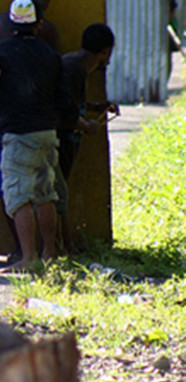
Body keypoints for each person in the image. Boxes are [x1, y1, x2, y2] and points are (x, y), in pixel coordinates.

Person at [0, 0, 75, 273]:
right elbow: (63, 98)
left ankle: (29, 257)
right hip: (47, 131)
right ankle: (49, 254)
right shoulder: (51, 55)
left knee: (19, 195)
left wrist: (4, 113)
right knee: (46, 193)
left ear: (12, 23)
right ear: (39, 24)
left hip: (17, 132)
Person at [54, 23, 118, 252]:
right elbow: (64, 110)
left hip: (64, 135)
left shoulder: (74, 63)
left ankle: (65, 243)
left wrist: (96, 107)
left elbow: (72, 103)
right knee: (58, 193)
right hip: (61, 137)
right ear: (105, 52)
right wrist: (85, 125)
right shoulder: (75, 69)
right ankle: (64, 245)